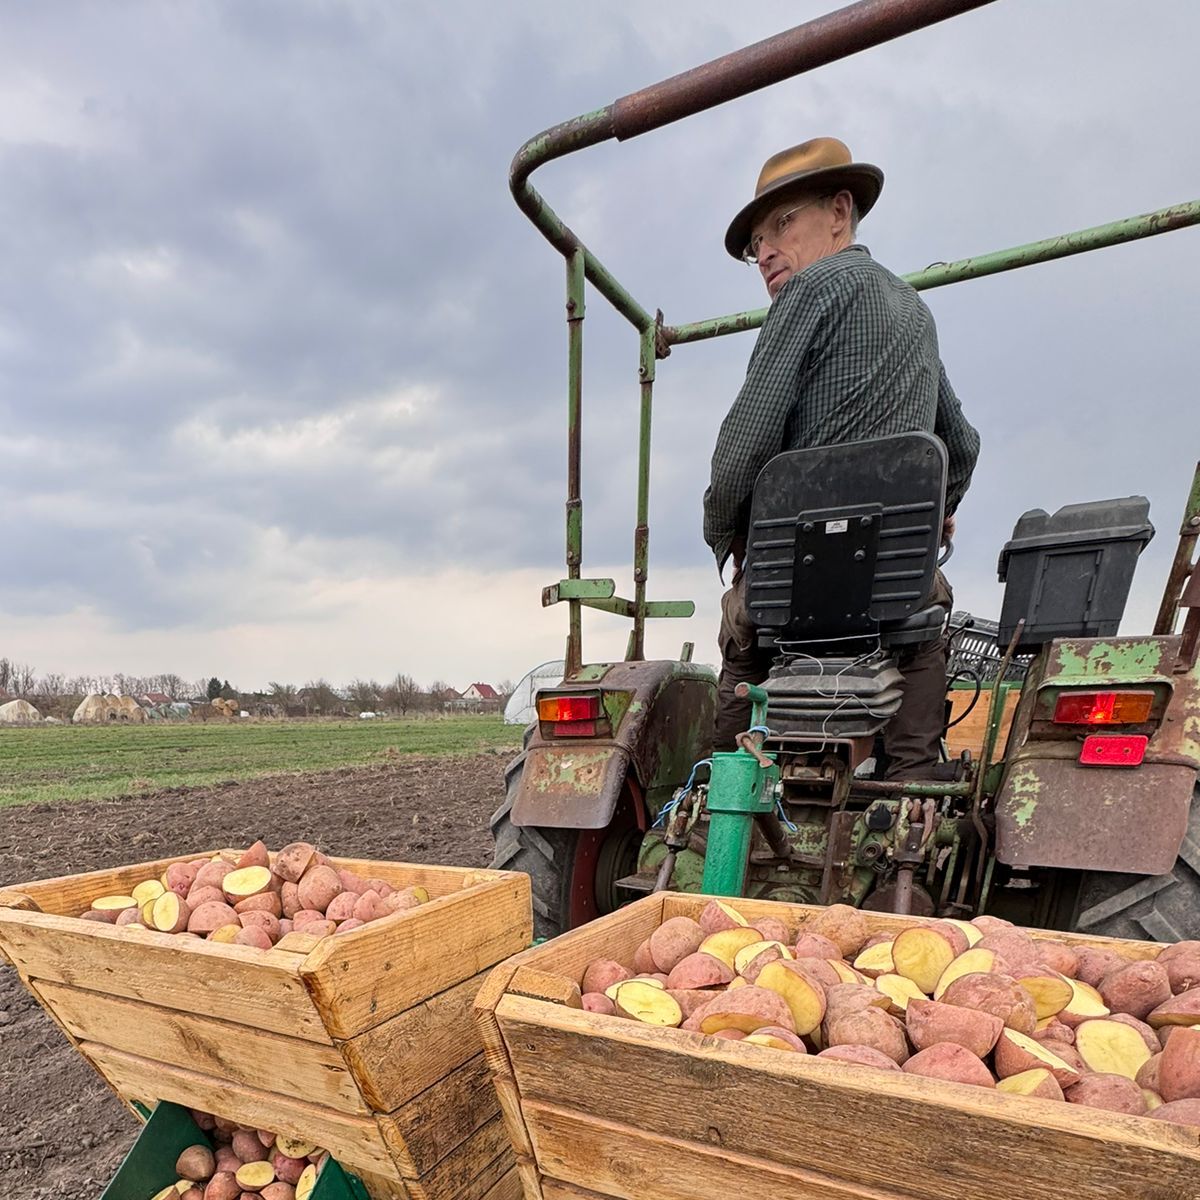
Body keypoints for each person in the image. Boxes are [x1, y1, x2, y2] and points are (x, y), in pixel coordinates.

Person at [703, 137, 980, 777]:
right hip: (892, 588)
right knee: (924, 619)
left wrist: (725, 534)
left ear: (840, 211)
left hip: (796, 582)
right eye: (755, 246)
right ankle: (911, 777)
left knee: (743, 630)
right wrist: (936, 515)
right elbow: (960, 446)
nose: (765, 251)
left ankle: (722, 784)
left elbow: (743, 444)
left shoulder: (808, 292)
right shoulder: (916, 310)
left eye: (780, 224)